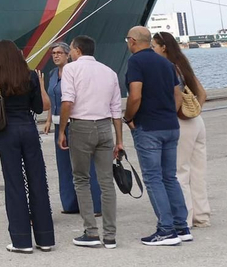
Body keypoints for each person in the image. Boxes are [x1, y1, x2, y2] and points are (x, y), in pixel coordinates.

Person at [0, 40, 56, 253]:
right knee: (37, 181)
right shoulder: (30, 76)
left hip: (7, 132)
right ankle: (45, 239)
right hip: (29, 129)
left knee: (14, 183)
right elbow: (38, 107)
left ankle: (21, 240)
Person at [124, 25, 190, 246]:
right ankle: (182, 226)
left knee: (153, 178)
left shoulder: (135, 62)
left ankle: (166, 230)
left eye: (127, 40)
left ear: (133, 41)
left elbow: (135, 95)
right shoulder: (166, 62)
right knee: (169, 176)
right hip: (170, 125)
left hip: (149, 127)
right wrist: (169, 113)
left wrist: (128, 117)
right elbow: (177, 93)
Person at [57, 34, 123, 249]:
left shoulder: (71, 69)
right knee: (106, 182)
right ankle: (110, 235)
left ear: (76, 50)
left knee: (82, 179)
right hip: (105, 127)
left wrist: (63, 130)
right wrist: (119, 140)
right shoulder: (109, 72)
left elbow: (67, 101)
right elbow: (116, 109)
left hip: (81, 126)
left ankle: (91, 232)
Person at [154, 31, 210, 228]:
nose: (152, 50)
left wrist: (180, 114)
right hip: (197, 122)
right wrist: (194, 112)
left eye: (154, 46)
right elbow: (202, 93)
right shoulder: (183, 66)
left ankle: (184, 218)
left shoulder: (168, 68)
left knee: (179, 171)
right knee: (198, 171)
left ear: (163, 48)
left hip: (181, 122)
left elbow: (174, 97)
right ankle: (202, 216)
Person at [46, 42, 100, 217]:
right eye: (53, 53)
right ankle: (70, 204)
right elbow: (51, 99)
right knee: (64, 165)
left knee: (85, 164)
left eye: (59, 52)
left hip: (75, 122)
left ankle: (95, 204)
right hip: (57, 122)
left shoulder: (75, 72)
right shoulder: (52, 74)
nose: (56, 56)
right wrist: (48, 119)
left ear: (68, 54)